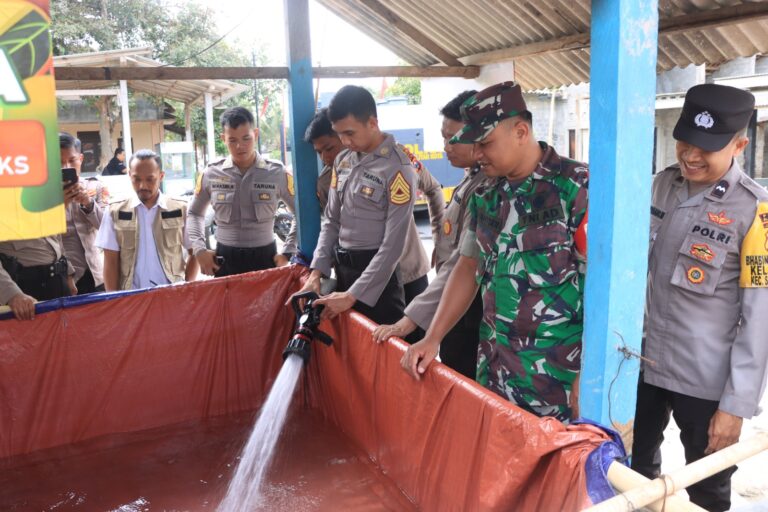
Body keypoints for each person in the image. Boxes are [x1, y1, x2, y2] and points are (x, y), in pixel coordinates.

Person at [401, 82, 588, 423]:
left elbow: (606, 291)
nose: (477, 154)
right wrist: (433, 337)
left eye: (485, 144)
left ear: (521, 131)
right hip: (495, 371)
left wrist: (590, 372)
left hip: (556, 381)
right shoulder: (487, 192)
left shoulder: (577, 189)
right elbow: (468, 265)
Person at [631, 84, 768, 512]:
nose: (690, 155)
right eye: (685, 142)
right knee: (632, 475)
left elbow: (760, 316)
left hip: (705, 382)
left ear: (740, 144)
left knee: (707, 489)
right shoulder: (658, 187)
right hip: (640, 365)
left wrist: (736, 405)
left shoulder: (756, 211)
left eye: (706, 148)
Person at [303, 108, 445, 339]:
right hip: (361, 274)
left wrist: (440, 240)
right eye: (319, 152)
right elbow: (331, 223)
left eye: (329, 148)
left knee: (409, 341)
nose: (325, 158)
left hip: (407, 270)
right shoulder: (333, 173)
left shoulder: (398, 162)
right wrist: (316, 272)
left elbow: (434, 188)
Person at [373, 90, 487, 378]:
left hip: (469, 307)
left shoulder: (488, 187)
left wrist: (409, 321)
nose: (445, 146)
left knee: (461, 379)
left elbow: (463, 265)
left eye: (453, 138)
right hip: (450, 299)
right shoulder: (471, 177)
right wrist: (440, 242)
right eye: (443, 136)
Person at [289, 85, 418, 326]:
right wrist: (316, 273)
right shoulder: (343, 160)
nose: (345, 141)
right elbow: (331, 221)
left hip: (378, 279)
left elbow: (392, 245)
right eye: (340, 134)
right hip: (344, 271)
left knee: (379, 354)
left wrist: (353, 295)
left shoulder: (398, 168)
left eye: (350, 133)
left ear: (372, 122)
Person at [186, 107, 297, 277]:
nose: (240, 146)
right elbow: (194, 213)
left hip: (266, 258)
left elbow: (300, 214)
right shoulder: (211, 173)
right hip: (225, 259)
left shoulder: (276, 172)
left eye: (246, 138)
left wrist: (287, 252)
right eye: (232, 140)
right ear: (223, 139)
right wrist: (200, 250)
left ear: (256, 134)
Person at [96, 150, 197, 291]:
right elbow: (110, 261)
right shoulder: (115, 211)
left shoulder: (181, 208)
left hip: (171, 296)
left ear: (161, 176)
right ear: (129, 175)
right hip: (131, 298)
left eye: (150, 179)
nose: (143, 186)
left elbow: (195, 252)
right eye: (137, 179)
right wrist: (114, 301)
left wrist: (186, 288)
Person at [59, 132, 109, 294]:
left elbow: (107, 228)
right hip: (67, 277)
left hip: (97, 273)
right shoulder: (44, 198)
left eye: (72, 161)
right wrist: (62, 203)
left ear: (81, 159)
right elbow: (45, 235)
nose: (67, 167)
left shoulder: (96, 187)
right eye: (60, 163)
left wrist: (88, 204)